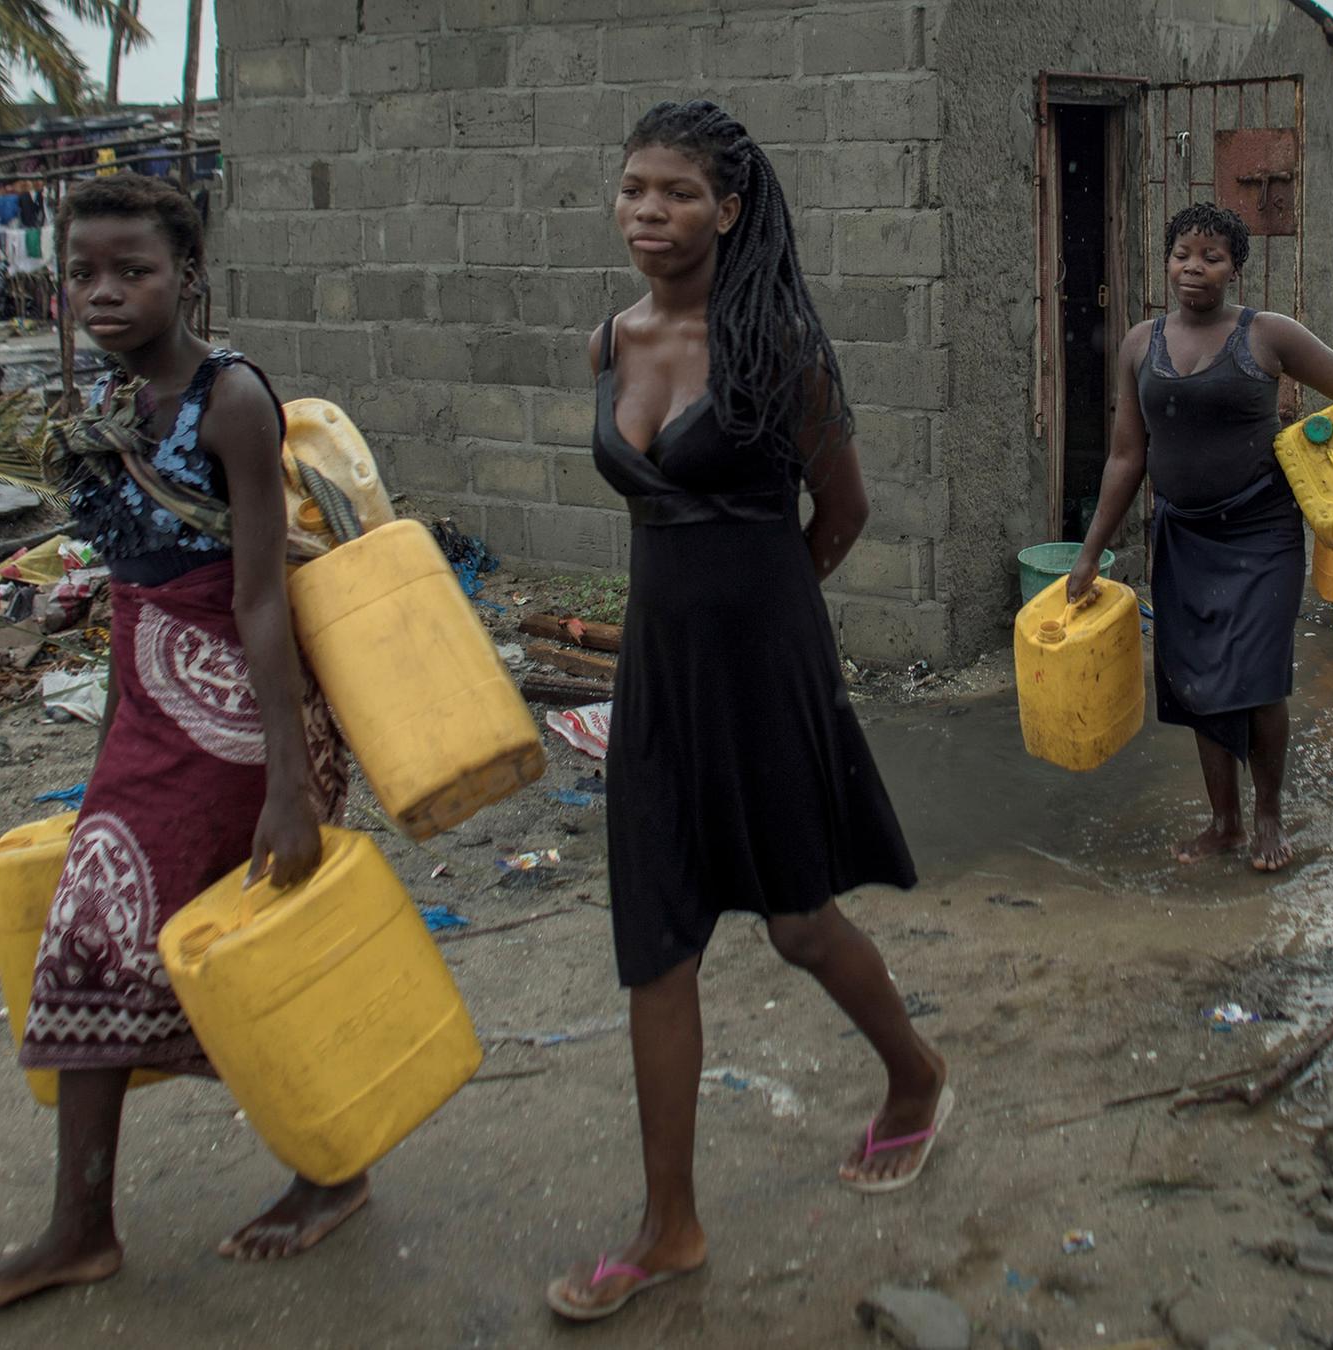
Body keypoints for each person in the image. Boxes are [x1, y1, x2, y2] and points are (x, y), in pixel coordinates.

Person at [543, 100, 946, 1324]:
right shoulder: (610, 341)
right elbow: (645, 505)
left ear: (728, 206)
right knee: (655, 942)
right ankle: (669, 1226)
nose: (648, 213)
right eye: (631, 190)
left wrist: (766, 613)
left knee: (796, 923)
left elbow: (847, 511)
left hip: (766, 660)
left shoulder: (777, 347)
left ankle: (917, 1078)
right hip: (658, 673)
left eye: (674, 192)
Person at [0, 172, 362, 1309]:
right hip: (147, 707)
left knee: (243, 946)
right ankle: (82, 1225)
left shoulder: (228, 399)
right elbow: (130, 591)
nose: (105, 292)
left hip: (232, 717)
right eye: (83, 273)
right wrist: (113, 745)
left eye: (133, 270)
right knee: (99, 939)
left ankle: (331, 1172)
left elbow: (261, 597)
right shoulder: (113, 406)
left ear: (188, 274)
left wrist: (290, 780)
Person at [1067, 204, 1333, 873]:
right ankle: (1224, 823)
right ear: (1166, 259)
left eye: (1211, 256)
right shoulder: (1139, 344)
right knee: (1199, 681)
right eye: (1182, 253)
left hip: (1262, 533)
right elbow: (1126, 457)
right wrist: (1091, 551)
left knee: (1259, 680)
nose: (1193, 268)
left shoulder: (1268, 335)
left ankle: (1267, 818)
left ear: (1236, 268)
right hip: (1183, 535)